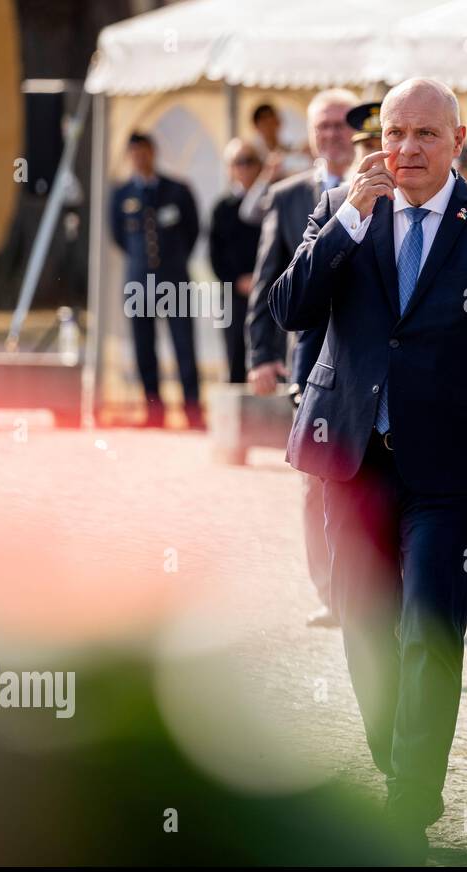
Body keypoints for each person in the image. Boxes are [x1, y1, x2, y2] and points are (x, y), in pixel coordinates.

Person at [269, 78, 467, 863]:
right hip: (353, 458)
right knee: (365, 627)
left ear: (460, 141)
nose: (408, 149)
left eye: (427, 134)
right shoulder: (342, 210)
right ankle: (397, 763)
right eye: (396, 133)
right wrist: (348, 223)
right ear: (377, 139)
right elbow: (288, 309)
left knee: (428, 630)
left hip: (448, 473)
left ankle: (410, 795)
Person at [246, 87, 358, 630]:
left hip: (368, 365)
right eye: (324, 126)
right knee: (315, 480)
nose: (334, 135)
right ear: (312, 134)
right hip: (310, 365)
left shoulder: (387, 187)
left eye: (342, 124)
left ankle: (371, 586)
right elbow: (269, 281)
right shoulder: (289, 196)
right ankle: (330, 592)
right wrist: (261, 355)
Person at [109, 131, 202, 428]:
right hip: (139, 282)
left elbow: (192, 230)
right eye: (134, 151)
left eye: (144, 150)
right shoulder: (122, 195)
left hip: (174, 279)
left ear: (154, 151)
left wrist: (173, 261)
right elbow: (119, 237)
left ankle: (192, 410)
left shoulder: (177, 190)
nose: (140, 156)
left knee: (184, 347)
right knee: (143, 348)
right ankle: (153, 411)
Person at [208, 138, 264, 384]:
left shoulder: (271, 202)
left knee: (268, 354)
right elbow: (214, 254)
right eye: (238, 162)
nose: (245, 168)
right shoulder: (222, 208)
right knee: (235, 354)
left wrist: (262, 280)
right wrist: (236, 280)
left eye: (250, 161)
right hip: (233, 294)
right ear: (230, 168)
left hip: (268, 291)